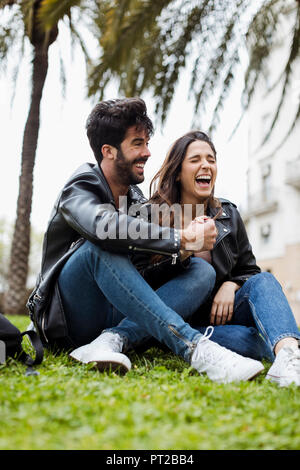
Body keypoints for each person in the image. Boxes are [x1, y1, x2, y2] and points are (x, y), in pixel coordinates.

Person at [27, 98, 265, 384]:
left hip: (117, 315)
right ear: (109, 151)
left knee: (202, 271)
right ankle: (196, 348)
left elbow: (144, 272)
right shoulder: (80, 187)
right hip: (69, 319)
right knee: (101, 247)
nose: (148, 153)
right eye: (137, 144)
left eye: (147, 143)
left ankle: (112, 340)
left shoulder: (138, 200)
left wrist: (186, 253)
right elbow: (105, 227)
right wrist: (182, 238)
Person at [133, 130, 300, 387]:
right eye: (195, 159)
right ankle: (268, 343)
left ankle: (289, 355)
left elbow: (250, 270)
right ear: (178, 172)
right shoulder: (150, 215)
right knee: (248, 341)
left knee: (265, 281)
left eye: (211, 159)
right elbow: (139, 279)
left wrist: (230, 286)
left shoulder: (228, 214)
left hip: (223, 314)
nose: (206, 165)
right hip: (178, 324)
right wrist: (184, 250)